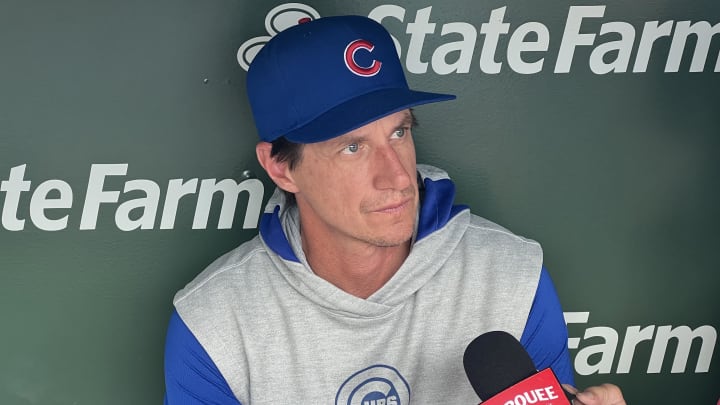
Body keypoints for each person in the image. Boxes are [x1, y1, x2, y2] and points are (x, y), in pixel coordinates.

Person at [163, 15, 626, 405]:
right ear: (281, 169)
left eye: (399, 133)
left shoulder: (509, 277)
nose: (399, 177)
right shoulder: (215, 323)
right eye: (352, 148)